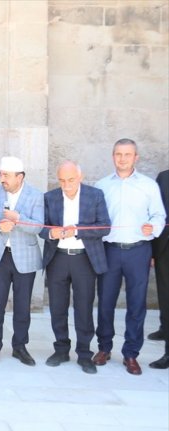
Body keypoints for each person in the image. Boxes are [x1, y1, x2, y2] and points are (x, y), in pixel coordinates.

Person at [94, 139, 166, 375]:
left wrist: (152, 228)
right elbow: (94, 217)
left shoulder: (148, 186)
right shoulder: (102, 185)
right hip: (110, 251)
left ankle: (131, 354)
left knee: (136, 304)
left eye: (127, 154)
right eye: (118, 154)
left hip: (138, 250)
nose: (122, 158)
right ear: (112, 156)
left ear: (136, 158)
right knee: (105, 302)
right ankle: (104, 348)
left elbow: (158, 215)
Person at [39, 161, 111, 374]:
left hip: (84, 259)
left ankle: (84, 353)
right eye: (62, 180)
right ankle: (61, 349)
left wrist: (77, 230)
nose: (66, 184)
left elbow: (104, 226)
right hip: (58, 258)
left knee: (84, 307)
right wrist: (51, 233)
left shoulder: (95, 195)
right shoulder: (50, 197)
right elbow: (41, 227)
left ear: (80, 177)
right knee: (57, 307)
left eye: (70, 180)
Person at [0, 156, 44, 366]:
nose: (2, 179)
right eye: (1, 174)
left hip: (24, 258)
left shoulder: (35, 195)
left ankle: (20, 347)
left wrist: (18, 219)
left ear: (20, 176)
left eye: (6, 175)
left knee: (22, 305)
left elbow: (38, 227)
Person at [150, 168, 169, 369]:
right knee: (165, 294)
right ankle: (165, 328)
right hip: (165, 247)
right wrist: (153, 251)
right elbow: (156, 212)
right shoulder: (163, 177)